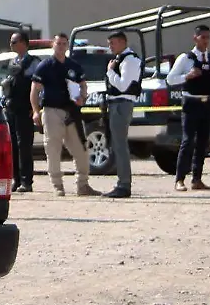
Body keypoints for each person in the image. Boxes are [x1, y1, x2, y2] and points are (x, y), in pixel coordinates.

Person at [30, 36, 98, 197]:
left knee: (81, 148)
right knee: (53, 149)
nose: (60, 46)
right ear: (53, 45)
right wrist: (35, 111)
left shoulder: (73, 66)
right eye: (58, 43)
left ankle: (83, 185)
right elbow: (35, 90)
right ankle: (57, 186)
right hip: (52, 110)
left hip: (72, 111)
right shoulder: (45, 66)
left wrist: (83, 96)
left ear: (67, 46)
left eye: (63, 44)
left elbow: (83, 85)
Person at [166, 24, 210, 191]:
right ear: (195, 38)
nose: (206, 41)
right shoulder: (186, 58)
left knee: (203, 142)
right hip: (190, 103)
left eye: (208, 37)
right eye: (203, 37)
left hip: (207, 102)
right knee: (188, 141)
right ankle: (179, 179)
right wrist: (188, 76)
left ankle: (197, 179)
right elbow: (170, 79)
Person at [101, 31, 143, 198]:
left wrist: (110, 72)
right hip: (115, 104)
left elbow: (124, 85)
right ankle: (121, 182)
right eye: (109, 43)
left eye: (113, 43)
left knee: (120, 145)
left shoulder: (130, 60)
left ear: (122, 42)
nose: (110, 46)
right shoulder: (119, 59)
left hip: (122, 104)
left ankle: (124, 184)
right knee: (116, 145)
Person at [1, 32, 40, 192]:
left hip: (25, 109)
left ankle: (26, 181)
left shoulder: (33, 63)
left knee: (24, 145)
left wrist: (35, 107)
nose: (11, 45)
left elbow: (37, 87)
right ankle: (15, 179)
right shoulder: (12, 62)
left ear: (24, 43)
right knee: (12, 146)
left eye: (14, 42)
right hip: (11, 108)